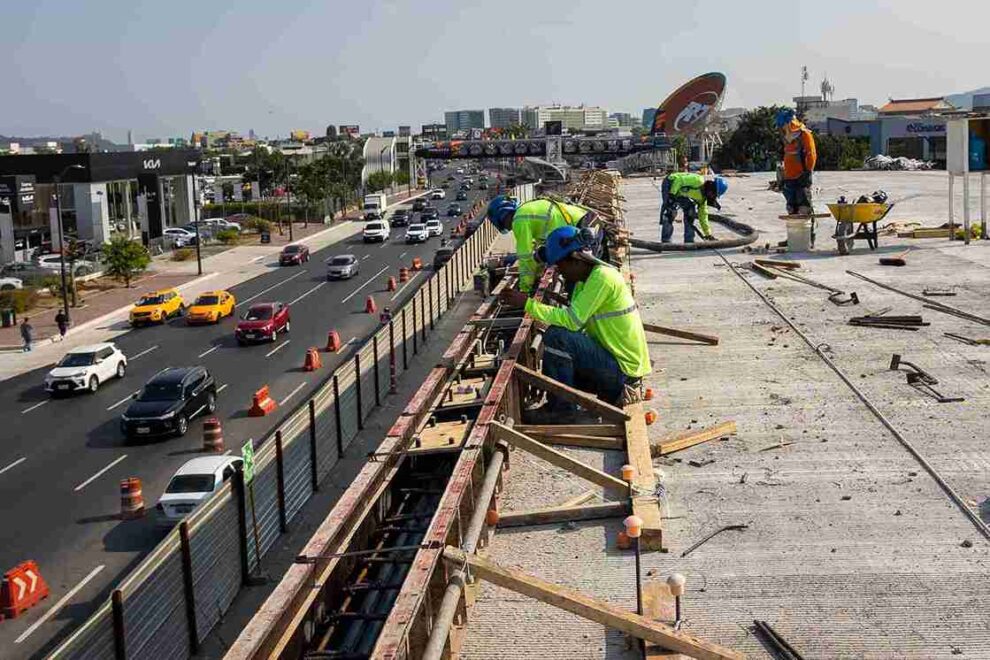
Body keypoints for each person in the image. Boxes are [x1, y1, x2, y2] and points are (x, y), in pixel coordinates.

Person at [499, 226, 651, 422]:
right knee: (561, 364)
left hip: (624, 373)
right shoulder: (584, 283)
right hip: (617, 367)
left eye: (561, 266)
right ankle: (569, 402)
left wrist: (527, 304)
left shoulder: (602, 278)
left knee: (556, 337)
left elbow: (571, 321)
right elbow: (577, 325)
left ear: (575, 259)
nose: (561, 273)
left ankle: (561, 409)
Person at [487, 195, 594, 294]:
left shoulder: (519, 220)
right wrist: (538, 274)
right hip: (586, 223)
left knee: (576, 279)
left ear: (502, 217)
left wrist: (525, 289)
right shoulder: (527, 212)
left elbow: (525, 257)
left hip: (584, 231)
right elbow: (539, 254)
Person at [659, 173, 728, 243]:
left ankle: (689, 240)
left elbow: (703, 216)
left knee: (690, 213)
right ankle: (666, 241)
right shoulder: (698, 180)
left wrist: (708, 234)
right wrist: (672, 195)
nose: (712, 196)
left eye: (714, 195)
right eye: (713, 194)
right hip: (670, 183)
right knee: (670, 212)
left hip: (680, 193)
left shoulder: (702, 199)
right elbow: (679, 180)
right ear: (711, 187)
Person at [776, 108, 817, 216]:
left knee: (803, 207)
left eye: (783, 127)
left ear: (789, 124)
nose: (781, 131)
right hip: (789, 178)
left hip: (801, 176)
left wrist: (808, 171)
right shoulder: (788, 139)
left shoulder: (804, 135)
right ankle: (795, 231)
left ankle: (807, 232)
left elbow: (811, 154)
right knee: (791, 208)